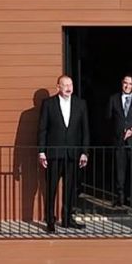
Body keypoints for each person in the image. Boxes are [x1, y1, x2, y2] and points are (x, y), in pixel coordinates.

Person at [37, 74, 89, 232]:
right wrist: (41, 152)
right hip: (54, 153)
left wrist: (84, 152)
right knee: (51, 188)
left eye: (70, 85)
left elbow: (85, 131)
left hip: (73, 154)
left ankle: (67, 219)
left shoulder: (80, 104)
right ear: (58, 87)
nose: (68, 88)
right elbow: (42, 129)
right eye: (65, 85)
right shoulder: (48, 104)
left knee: (70, 188)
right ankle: (50, 220)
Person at [108, 75, 132, 208]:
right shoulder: (114, 99)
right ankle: (120, 198)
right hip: (119, 141)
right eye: (125, 83)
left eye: (130, 84)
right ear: (122, 83)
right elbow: (108, 119)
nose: (127, 86)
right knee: (119, 171)